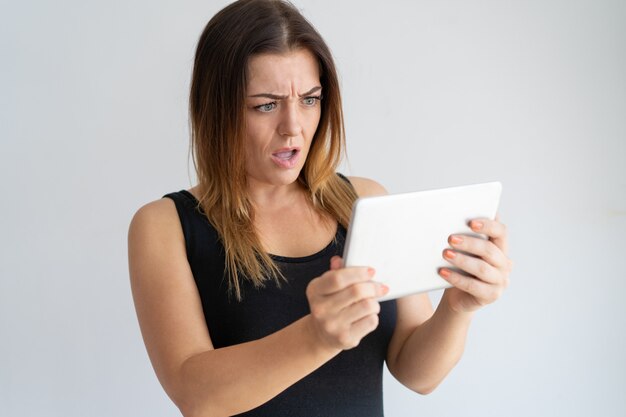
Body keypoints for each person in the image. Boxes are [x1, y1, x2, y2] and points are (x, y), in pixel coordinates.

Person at [127, 0, 513, 416]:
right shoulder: (166, 226)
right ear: (216, 110)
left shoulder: (365, 202)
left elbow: (417, 374)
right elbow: (196, 395)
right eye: (266, 105)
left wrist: (457, 307)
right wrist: (317, 336)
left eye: (310, 99)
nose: (293, 126)